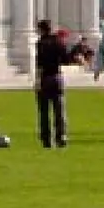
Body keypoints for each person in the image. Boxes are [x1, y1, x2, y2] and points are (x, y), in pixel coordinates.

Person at [33, 19, 70, 149]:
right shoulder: (58, 42)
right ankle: (62, 136)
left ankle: (46, 139)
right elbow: (66, 59)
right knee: (59, 109)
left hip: (45, 78)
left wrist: (37, 81)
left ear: (41, 30)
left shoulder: (41, 43)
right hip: (57, 77)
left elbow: (40, 64)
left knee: (44, 111)